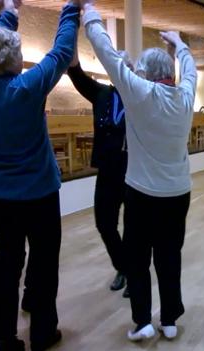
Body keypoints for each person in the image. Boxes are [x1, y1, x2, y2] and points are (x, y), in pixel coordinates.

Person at [79, 0, 197, 341]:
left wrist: (89, 13)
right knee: (169, 257)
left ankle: (143, 321)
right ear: (170, 73)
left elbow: (106, 53)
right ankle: (170, 320)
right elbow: (190, 72)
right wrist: (179, 44)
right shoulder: (186, 97)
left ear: (143, 73)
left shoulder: (139, 92)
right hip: (178, 194)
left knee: (138, 259)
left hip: (142, 195)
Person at [0, 0, 80, 350]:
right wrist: (71, 8)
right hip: (39, 195)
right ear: (9, 59)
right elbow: (62, 51)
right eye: (18, 51)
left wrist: (9, 11)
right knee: (44, 262)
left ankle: (5, 338)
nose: (22, 56)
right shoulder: (25, 88)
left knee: (7, 261)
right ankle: (43, 332)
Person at [0, 0, 32, 318]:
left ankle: (15, 301)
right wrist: (4, 15)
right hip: (7, 188)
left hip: (13, 188)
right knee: (11, 250)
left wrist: (0, 15)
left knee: (12, 249)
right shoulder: (11, 88)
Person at [67, 41, 132, 298]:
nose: (123, 71)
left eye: (127, 67)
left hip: (135, 172)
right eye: (118, 67)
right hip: (108, 171)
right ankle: (123, 266)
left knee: (134, 225)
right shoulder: (102, 94)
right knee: (105, 223)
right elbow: (77, 74)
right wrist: (70, 41)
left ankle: (134, 270)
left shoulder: (142, 96)